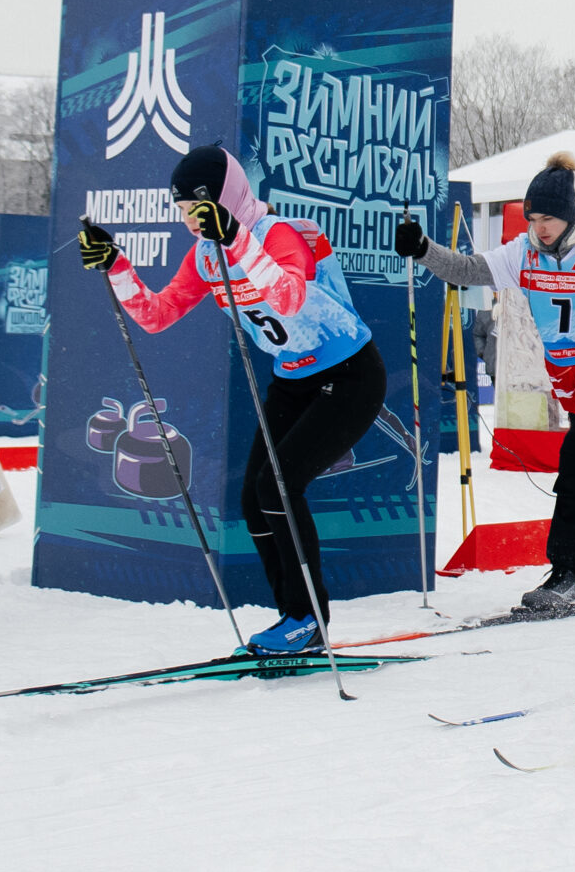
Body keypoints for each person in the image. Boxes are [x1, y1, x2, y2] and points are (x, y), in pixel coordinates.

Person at [81, 147, 382, 652]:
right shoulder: (204, 253)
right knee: (255, 498)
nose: (187, 221)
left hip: (348, 374)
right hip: (293, 377)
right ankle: (291, 615)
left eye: (193, 209)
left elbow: (289, 297)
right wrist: (116, 266)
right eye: (180, 212)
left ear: (222, 199)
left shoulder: (276, 234)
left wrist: (238, 240)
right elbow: (157, 315)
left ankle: (308, 619)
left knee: (280, 486)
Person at [394, 152, 575, 610]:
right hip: (567, 380)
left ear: (569, 215)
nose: (540, 227)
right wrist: (424, 248)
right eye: (533, 218)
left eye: (548, 218)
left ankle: (569, 573)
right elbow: (468, 271)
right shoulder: (522, 252)